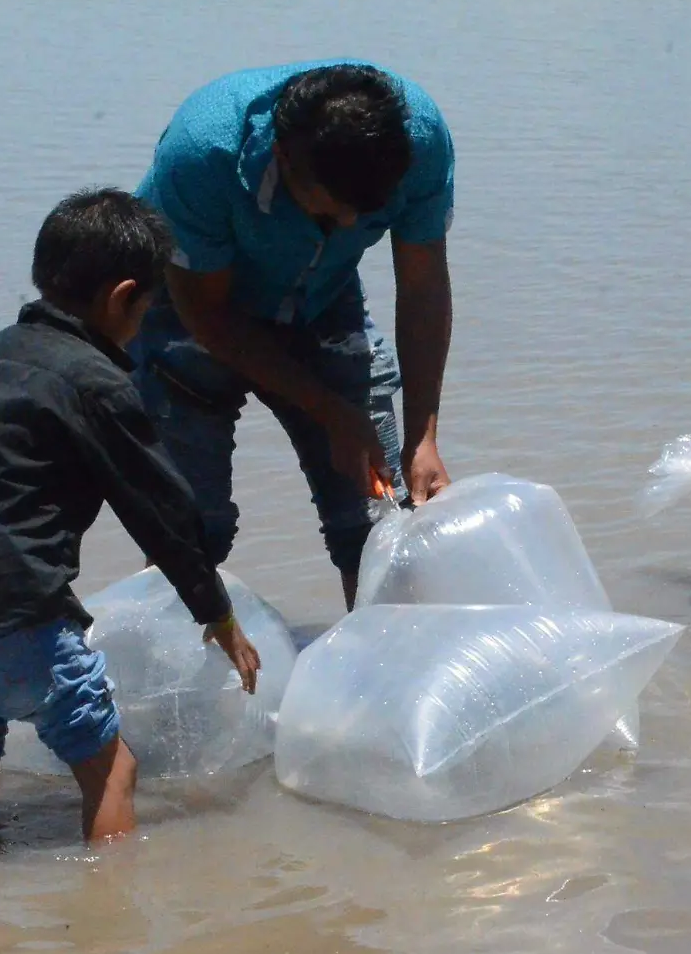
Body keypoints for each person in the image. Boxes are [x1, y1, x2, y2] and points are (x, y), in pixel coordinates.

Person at [0, 188, 262, 848]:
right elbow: (160, 511)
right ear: (124, 297)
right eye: (147, 305)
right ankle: (105, 928)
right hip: (23, 623)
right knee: (112, 769)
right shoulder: (95, 382)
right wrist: (218, 613)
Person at [131, 61, 457, 607]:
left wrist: (424, 434)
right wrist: (332, 413)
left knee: (376, 526)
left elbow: (423, 287)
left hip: (321, 295)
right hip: (190, 300)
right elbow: (208, 318)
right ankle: (186, 681)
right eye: (331, 214)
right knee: (190, 532)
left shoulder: (418, 139)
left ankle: (376, 675)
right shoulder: (202, 154)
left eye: (366, 212)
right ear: (283, 161)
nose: (351, 226)